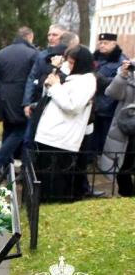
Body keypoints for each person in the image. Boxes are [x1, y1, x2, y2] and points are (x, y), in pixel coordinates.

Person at [33, 46, 97, 201]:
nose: (67, 65)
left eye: (71, 62)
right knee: (44, 179)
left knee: (56, 183)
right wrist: (50, 84)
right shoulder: (72, 78)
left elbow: (72, 106)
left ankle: (54, 204)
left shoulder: (87, 80)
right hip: (50, 135)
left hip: (61, 139)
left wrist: (56, 86)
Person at [0, 27, 39, 174]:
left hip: (3, 96)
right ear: (29, 37)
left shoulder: (1, 53)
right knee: (21, 130)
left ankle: (7, 167)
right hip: (21, 97)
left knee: (8, 130)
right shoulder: (33, 54)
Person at [99, 59, 135, 196]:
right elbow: (112, 93)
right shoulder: (130, 72)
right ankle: (126, 195)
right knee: (122, 165)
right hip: (125, 127)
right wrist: (122, 75)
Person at [91, 32, 128, 153]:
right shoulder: (94, 57)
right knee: (92, 137)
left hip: (109, 105)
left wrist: (103, 80)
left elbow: (123, 80)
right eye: (100, 43)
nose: (102, 45)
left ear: (114, 43)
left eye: (105, 43)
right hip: (92, 103)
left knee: (105, 137)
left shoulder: (121, 61)